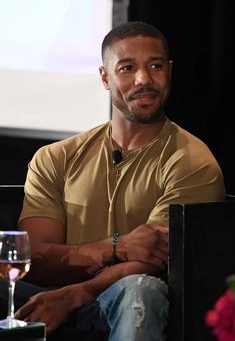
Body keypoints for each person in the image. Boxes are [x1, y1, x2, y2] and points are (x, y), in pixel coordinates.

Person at [0, 21, 225, 341]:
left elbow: (149, 263)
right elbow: (35, 260)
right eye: (127, 67)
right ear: (105, 77)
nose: (144, 79)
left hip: (120, 302)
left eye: (155, 66)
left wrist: (77, 292)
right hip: (38, 298)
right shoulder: (55, 157)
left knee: (140, 290)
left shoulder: (192, 162)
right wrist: (116, 248)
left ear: (169, 72)